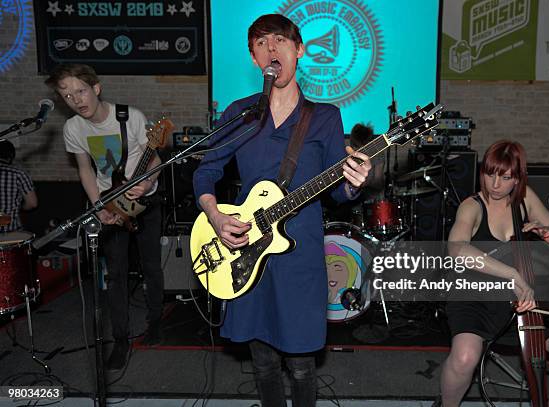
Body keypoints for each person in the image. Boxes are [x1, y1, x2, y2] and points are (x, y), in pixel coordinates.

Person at [193, 14, 372, 407]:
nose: (271, 49)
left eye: (279, 41)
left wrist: (354, 183)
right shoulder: (240, 113)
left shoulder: (324, 117)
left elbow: (338, 193)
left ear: (299, 50)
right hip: (243, 249)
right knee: (261, 362)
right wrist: (216, 216)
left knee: (303, 364)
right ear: (254, 58)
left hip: (300, 255)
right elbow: (206, 172)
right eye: (261, 43)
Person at [438, 140, 549, 406]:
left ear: (517, 179)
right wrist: (513, 273)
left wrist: (543, 230)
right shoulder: (472, 205)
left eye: (505, 177)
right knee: (464, 357)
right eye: (489, 174)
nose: (495, 185)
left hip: (521, 298)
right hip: (475, 296)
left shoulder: (524, 198)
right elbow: (456, 249)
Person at [45, 64, 164, 371]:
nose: (76, 100)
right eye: (67, 96)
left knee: (152, 266)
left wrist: (147, 182)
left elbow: (156, 157)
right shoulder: (73, 128)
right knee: (115, 274)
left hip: (146, 201)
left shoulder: (130, 117)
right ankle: (121, 340)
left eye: (80, 91)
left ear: (96, 88)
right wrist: (98, 206)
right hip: (109, 205)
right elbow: (84, 168)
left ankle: (156, 325)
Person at [0, 140, 37, 232]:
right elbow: (32, 203)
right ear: (11, 156)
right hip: (10, 232)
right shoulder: (19, 174)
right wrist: (20, 207)